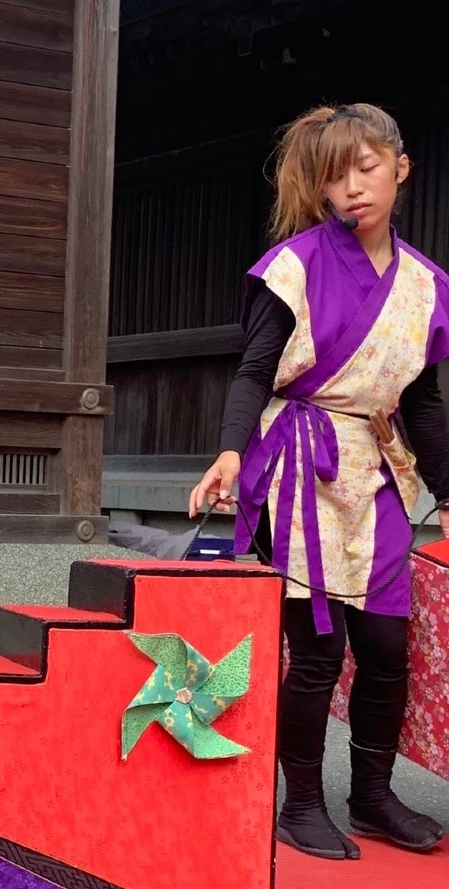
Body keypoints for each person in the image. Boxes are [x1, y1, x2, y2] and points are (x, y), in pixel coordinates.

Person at [189, 103, 448, 860]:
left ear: (400, 168)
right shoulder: (294, 265)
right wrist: (232, 450)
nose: (352, 189)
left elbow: (424, 403)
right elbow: (253, 370)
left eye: (367, 168)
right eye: (336, 177)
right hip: (296, 460)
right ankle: (298, 801)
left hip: (374, 465)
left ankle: (369, 795)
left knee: (387, 645)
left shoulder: (428, 286)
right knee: (316, 653)